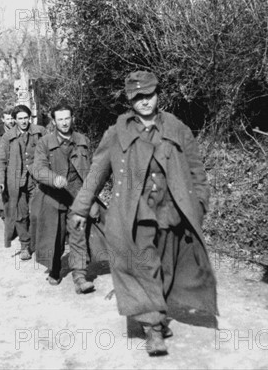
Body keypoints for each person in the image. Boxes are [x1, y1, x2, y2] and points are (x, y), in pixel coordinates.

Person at [69, 71, 218, 356]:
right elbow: (97, 171)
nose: (144, 101)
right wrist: (81, 207)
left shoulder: (176, 127)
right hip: (134, 212)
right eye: (137, 97)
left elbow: (197, 170)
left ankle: (158, 313)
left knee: (166, 267)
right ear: (130, 101)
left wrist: (199, 204)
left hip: (172, 209)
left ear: (158, 94)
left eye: (148, 95)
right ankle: (152, 327)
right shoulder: (117, 132)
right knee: (142, 265)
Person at [31, 103, 98, 294]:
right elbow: (37, 168)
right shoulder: (44, 142)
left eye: (67, 118)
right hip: (53, 195)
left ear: (73, 118)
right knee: (55, 236)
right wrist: (53, 178)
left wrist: (92, 197)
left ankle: (80, 276)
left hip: (77, 195)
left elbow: (93, 170)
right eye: (60, 119)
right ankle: (54, 268)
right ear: (53, 121)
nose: (64, 122)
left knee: (78, 234)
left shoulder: (82, 140)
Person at [0, 105, 46, 259]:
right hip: (16, 182)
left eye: (25, 118)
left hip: (37, 180)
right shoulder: (8, 137)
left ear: (30, 118)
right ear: (14, 120)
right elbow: (0, 160)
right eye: (20, 118)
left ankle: (40, 242)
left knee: (38, 211)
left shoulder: (40, 132)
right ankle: (25, 245)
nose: (23, 121)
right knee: (20, 214)